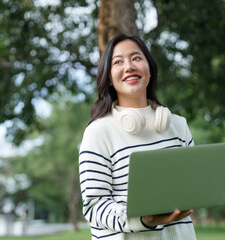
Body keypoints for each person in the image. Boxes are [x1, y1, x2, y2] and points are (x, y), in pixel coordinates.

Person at [78, 34, 196, 240]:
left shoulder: (178, 125)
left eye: (136, 58)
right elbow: (95, 207)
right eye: (118, 62)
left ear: (150, 69)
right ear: (108, 78)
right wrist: (143, 220)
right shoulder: (97, 132)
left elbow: (192, 189)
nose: (129, 67)